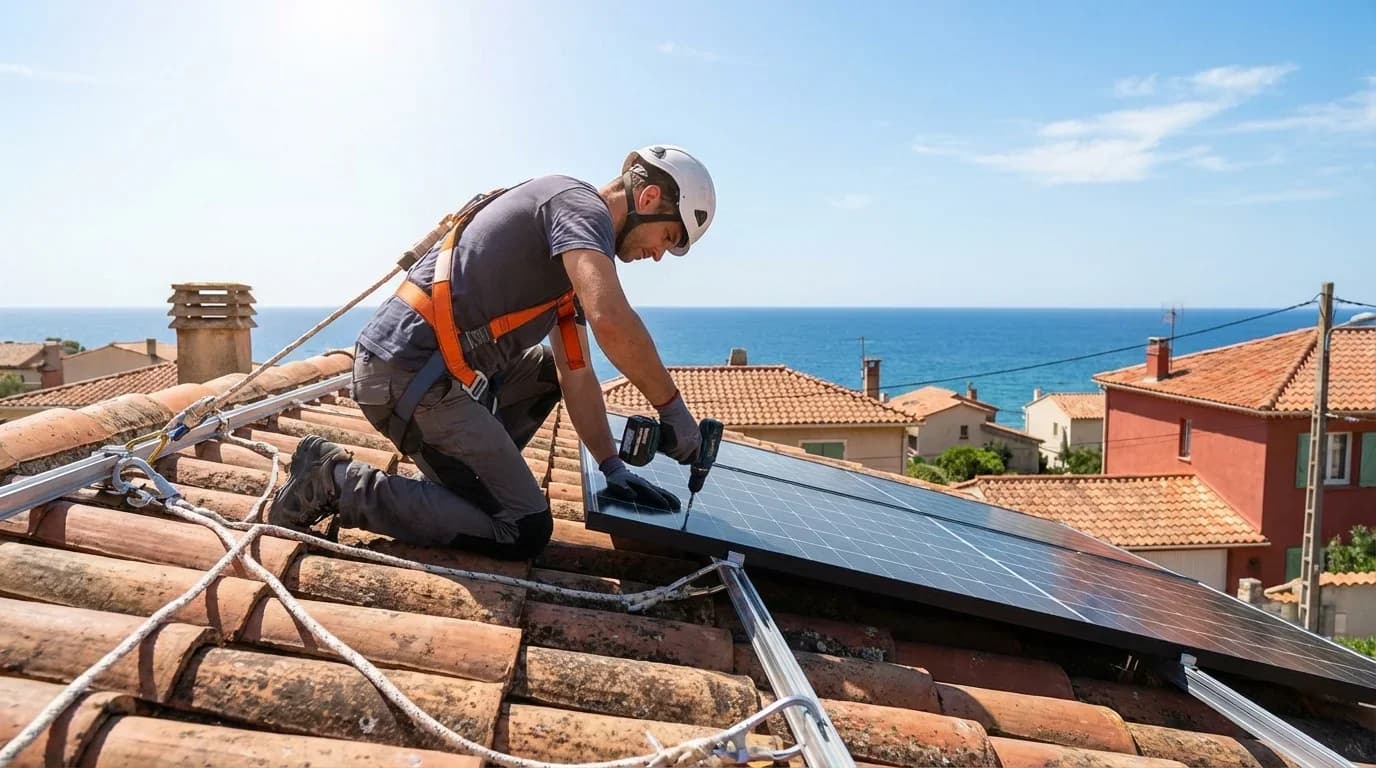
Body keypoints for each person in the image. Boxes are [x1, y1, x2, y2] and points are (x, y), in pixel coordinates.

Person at [268, 145, 716, 560]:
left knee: (544, 370)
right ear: (650, 197)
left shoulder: (573, 240)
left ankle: (471, 482)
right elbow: (612, 320)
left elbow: (574, 372)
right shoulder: (582, 209)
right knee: (524, 527)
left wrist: (612, 467)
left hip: (421, 369)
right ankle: (335, 483)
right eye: (668, 236)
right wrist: (673, 410)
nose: (659, 255)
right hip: (408, 376)